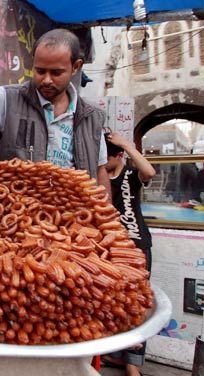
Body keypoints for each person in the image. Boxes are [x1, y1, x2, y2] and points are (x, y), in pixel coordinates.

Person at [0, 28, 110, 199]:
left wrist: (108, 218)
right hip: (15, 215)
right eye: (40, 71)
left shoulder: (92, 117)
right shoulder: (9, 99)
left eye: (56, 73)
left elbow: (99, 170)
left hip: (71, 216)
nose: (46, 79)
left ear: (76, 67)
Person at [104, 131, 156, 376]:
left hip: (136, 247)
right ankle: (114, 355)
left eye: (107, 157)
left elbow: (150, 172)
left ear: (119, 155)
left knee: (137, 304)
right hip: (111, 249)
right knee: (112, 302)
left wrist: (126, 144)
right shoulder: (99, 178)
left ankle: (132, 365)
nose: (103, 161)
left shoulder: (131, 176)